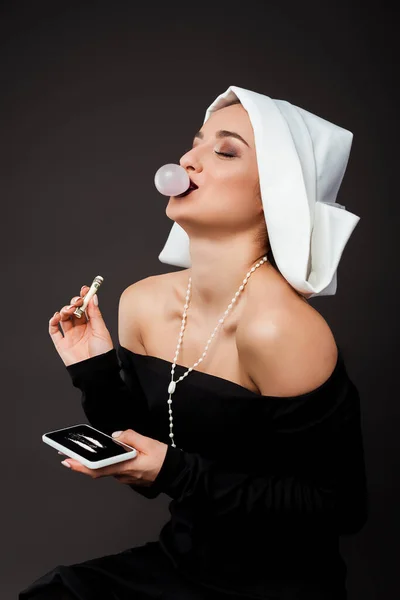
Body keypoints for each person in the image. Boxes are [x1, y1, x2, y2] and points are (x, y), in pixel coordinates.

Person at [19, 87, 369, 600]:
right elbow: (143, 474)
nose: (187, 160)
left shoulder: (281, 329)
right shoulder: (142, 303)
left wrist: (174, 470)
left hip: (280, 586)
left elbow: (340, 508)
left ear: (273, 193)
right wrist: (92, 368)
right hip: (179, 565)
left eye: (224, 151)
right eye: (195, 143)